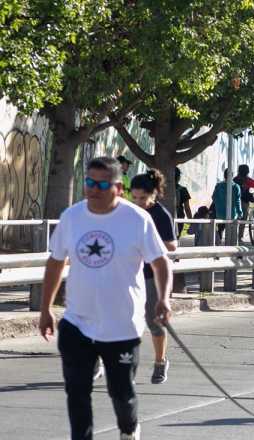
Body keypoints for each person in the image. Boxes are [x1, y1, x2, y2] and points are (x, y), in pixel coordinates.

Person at [39, 156, 172, 440]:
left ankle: (129, 429)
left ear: (118, 188)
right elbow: (55, 262)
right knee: (77, 393)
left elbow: (161, 262)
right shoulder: (72, 217)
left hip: (122, 326)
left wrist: (163, 299)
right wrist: (45, 307)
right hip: (77, 323)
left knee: (122, 395)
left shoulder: (137, 219)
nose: (93, 189)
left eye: (101, 184)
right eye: (89, 182)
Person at [129, 170, 178, 385]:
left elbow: (172, 245)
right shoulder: (128, 212)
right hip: (129, 273)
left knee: (153, 321)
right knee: (120, 320)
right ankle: (106, 361)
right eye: (135, 198)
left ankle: (160, 362)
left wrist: (149, 242)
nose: (138, 202)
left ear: (154, 195)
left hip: (153, 275)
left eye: (143, 198)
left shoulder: (160, 215)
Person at [211, 168, 242, 244]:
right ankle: (232, 250)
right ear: (232, 176)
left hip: (220, 214)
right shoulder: (236, 187)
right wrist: (240, 212)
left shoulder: (218, 185)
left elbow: (213, 197)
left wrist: (219, 204)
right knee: (232, 234)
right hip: (232, 214)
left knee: (220, 230)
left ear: (224, 175)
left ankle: (218, 246)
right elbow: (238, 201)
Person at [173, 168, 192, 237]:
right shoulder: (183, 190)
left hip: (164, 217)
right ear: (178, 177)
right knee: (176, 238)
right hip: (179, 217)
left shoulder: (162, 189)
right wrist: (191, 221)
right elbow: (187, 208)